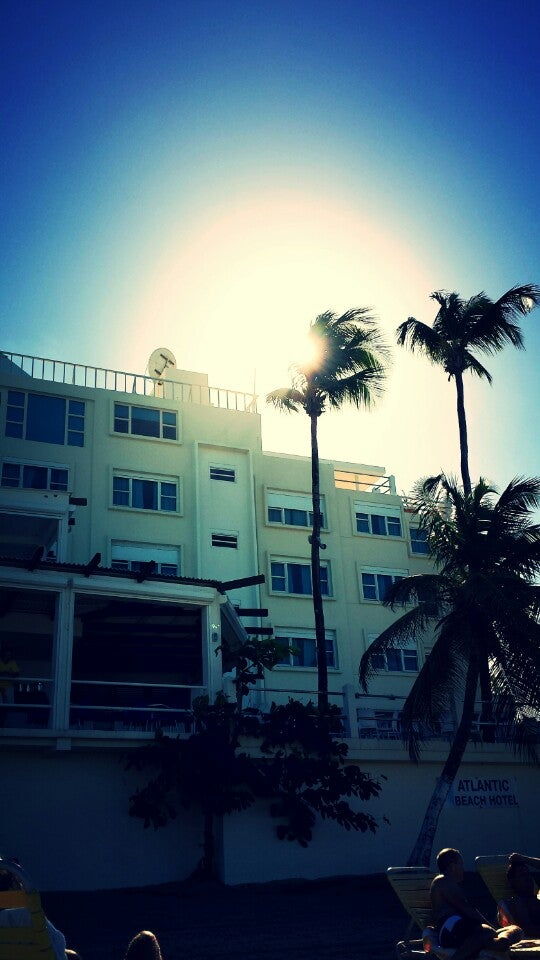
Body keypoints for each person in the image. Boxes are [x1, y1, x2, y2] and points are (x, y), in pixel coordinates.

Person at [431, 848, 518, 960]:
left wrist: (490, 929)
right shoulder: (443, 880)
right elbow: (465, 908)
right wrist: (489, 927)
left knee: (515, 930)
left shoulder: (447, 882)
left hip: (461, 928)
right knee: (487, 933)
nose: (463, 869)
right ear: (452, 866)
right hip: (450, 927)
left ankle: (497, 941)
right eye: (461, 864)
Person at [506, 854, 540, 937]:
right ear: (513, 882)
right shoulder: (517, 902)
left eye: (528, 874)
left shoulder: (536, 897)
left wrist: (524, 859)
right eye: (522, 875)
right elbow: (528, 929)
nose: (528, 878)